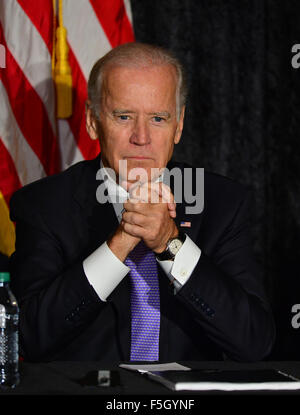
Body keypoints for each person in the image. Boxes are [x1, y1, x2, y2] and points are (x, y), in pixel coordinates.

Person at [9, 43, 275, 363]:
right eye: (124, 116)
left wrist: (169, 243)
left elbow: (254, 342)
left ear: (179, 125)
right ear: (93, 121)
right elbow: (27, 339)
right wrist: (121, 242)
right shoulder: (43, 205)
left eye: (158, 119)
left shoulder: (223, 204)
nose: (141, 137)